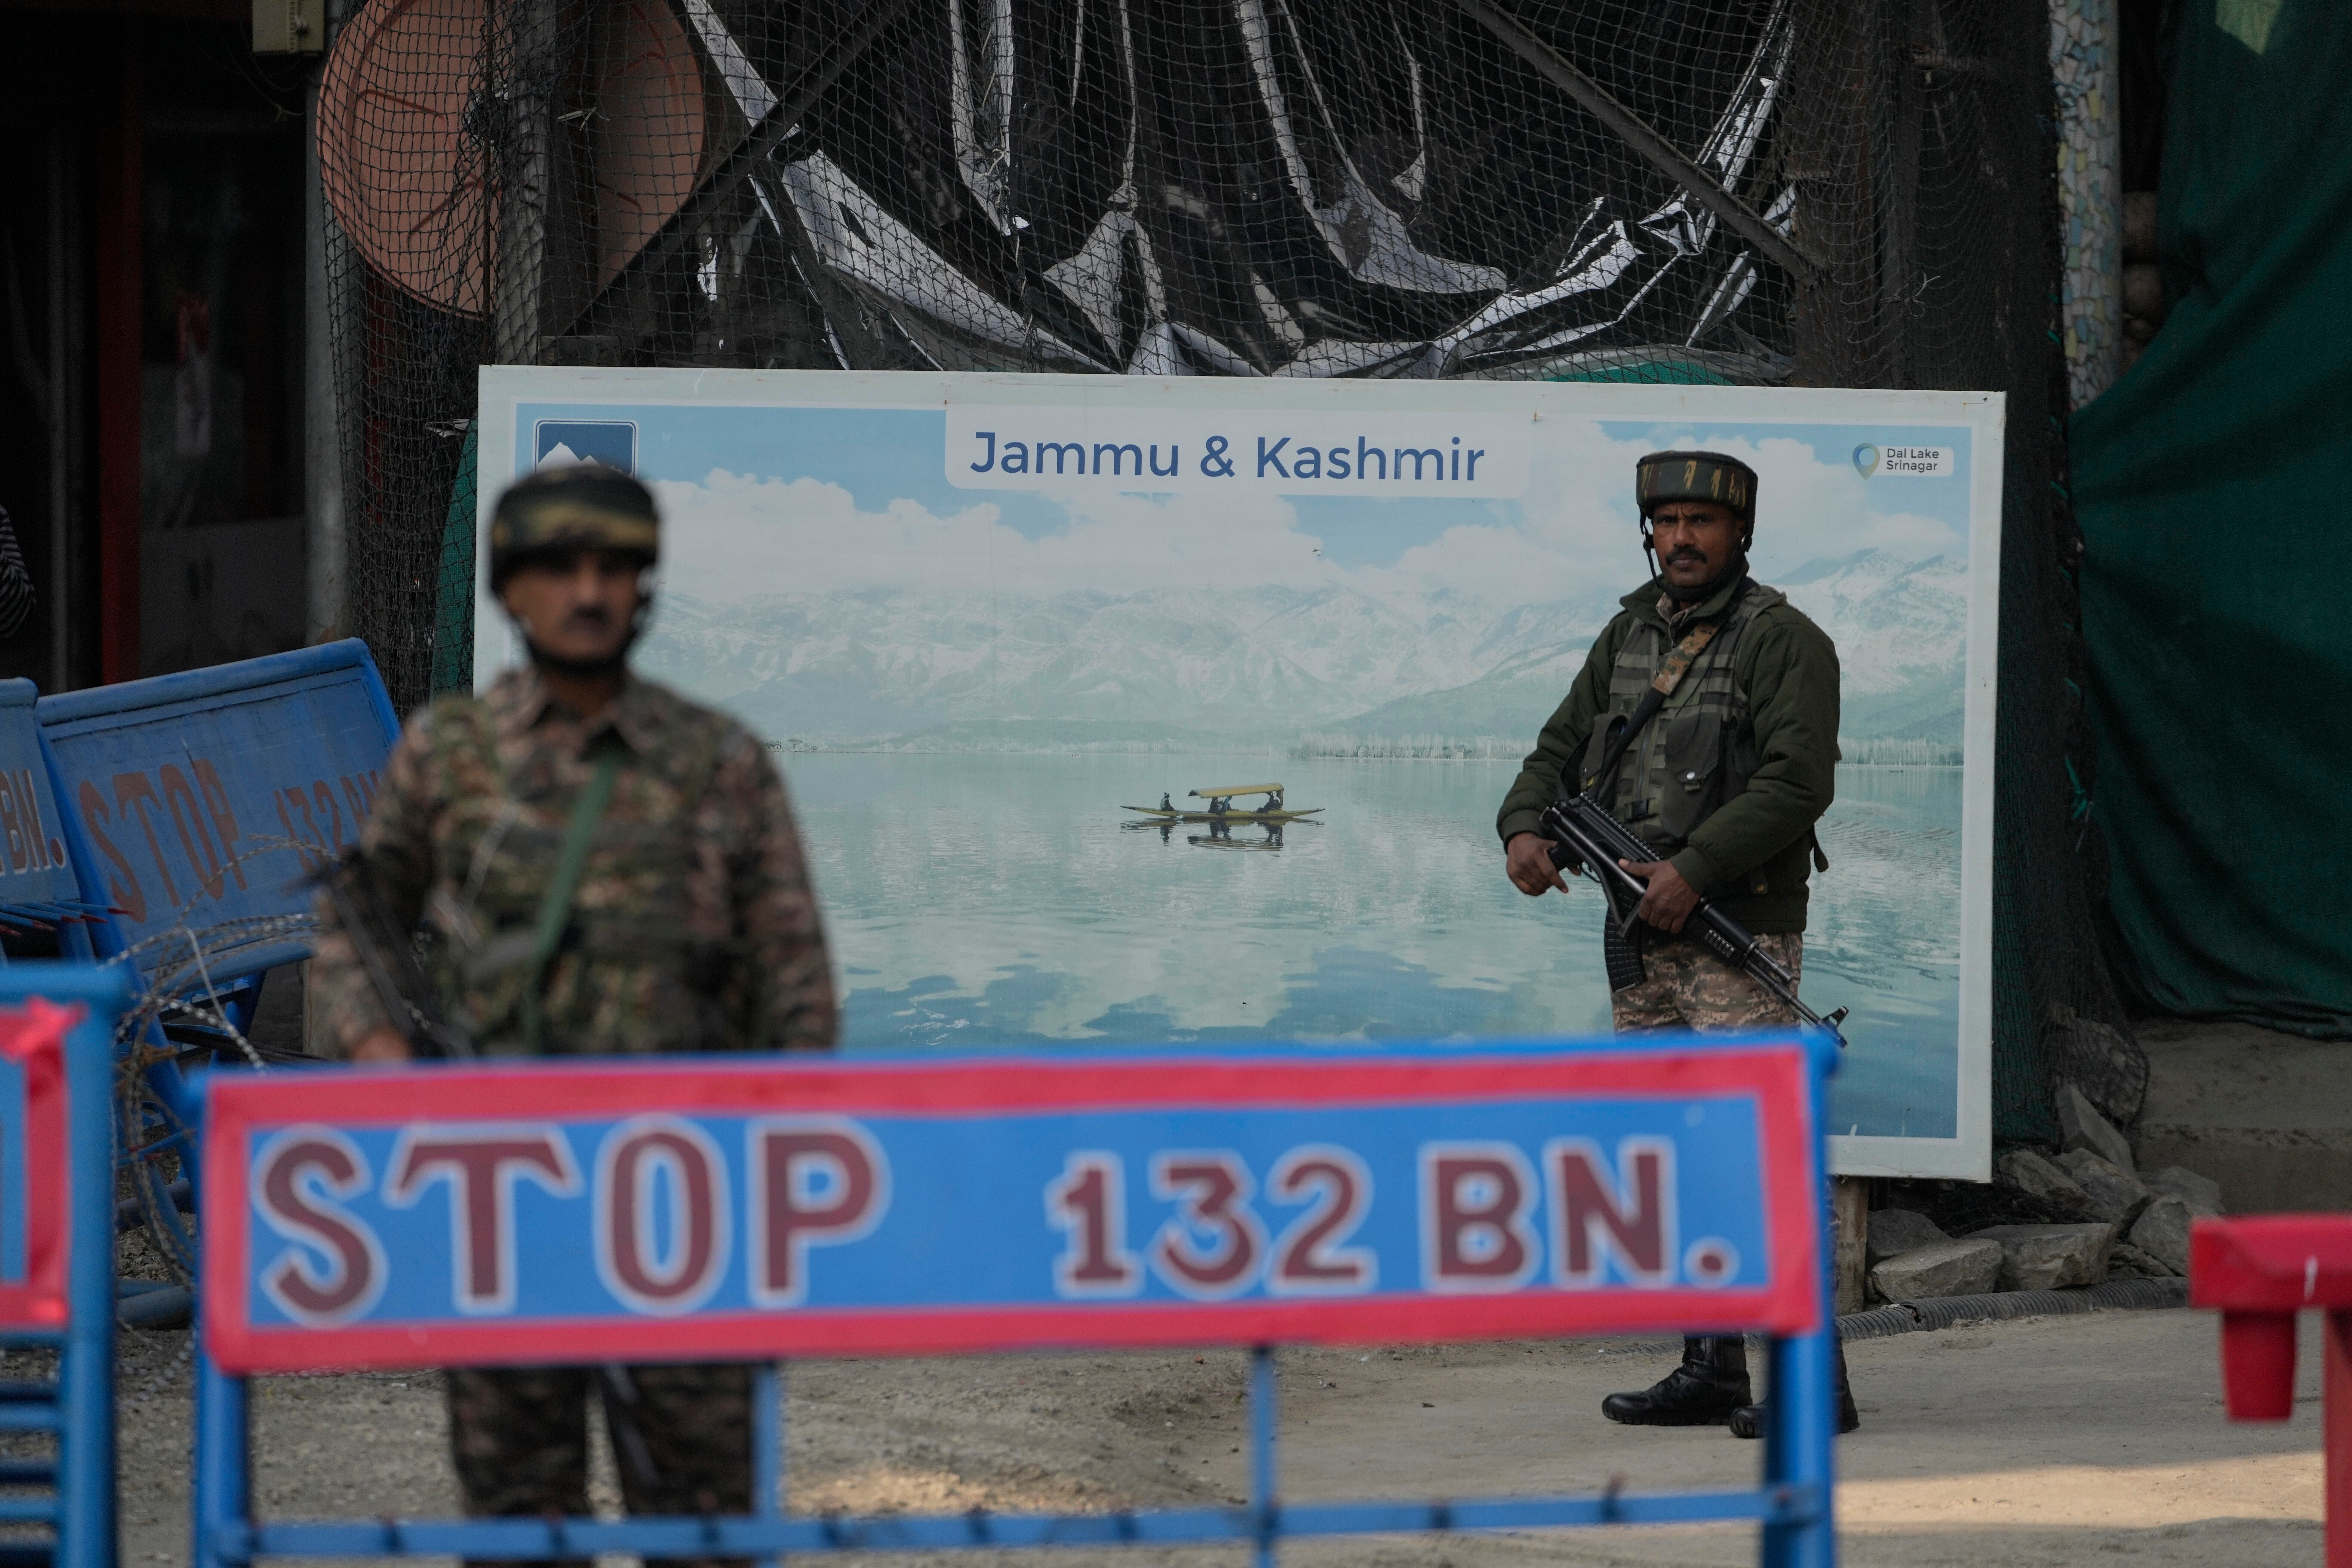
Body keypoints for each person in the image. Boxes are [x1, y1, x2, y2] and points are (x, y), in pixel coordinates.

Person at [308, 463, 837, 1546]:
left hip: (682, 1203)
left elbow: (797, 982)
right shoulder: (451, 755)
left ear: (644, 588)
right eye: (558, 568)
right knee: (518, 1513)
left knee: (700, 1517)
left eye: (614, 568)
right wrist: (379, 1060)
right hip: (509, 1197)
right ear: (511, 591)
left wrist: (778, 1161)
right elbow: (357, 923)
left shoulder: (716, 761)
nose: (588, 592)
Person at [1493, 449, 1855, 1439]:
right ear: (1648, 531)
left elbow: (1797, 784)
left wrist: (1695, 868)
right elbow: (1555, 751)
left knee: (1761, 1153)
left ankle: (1813, 1384)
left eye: (1704, 523)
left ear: (1741, 534)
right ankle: (1714, 1367)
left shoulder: (1785, 641)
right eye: (1668, 522)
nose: (1684, 539)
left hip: (1731, 932)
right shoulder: (1626, 635)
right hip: (1639, 935)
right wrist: (1523, 828)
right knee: (1680, 1156)